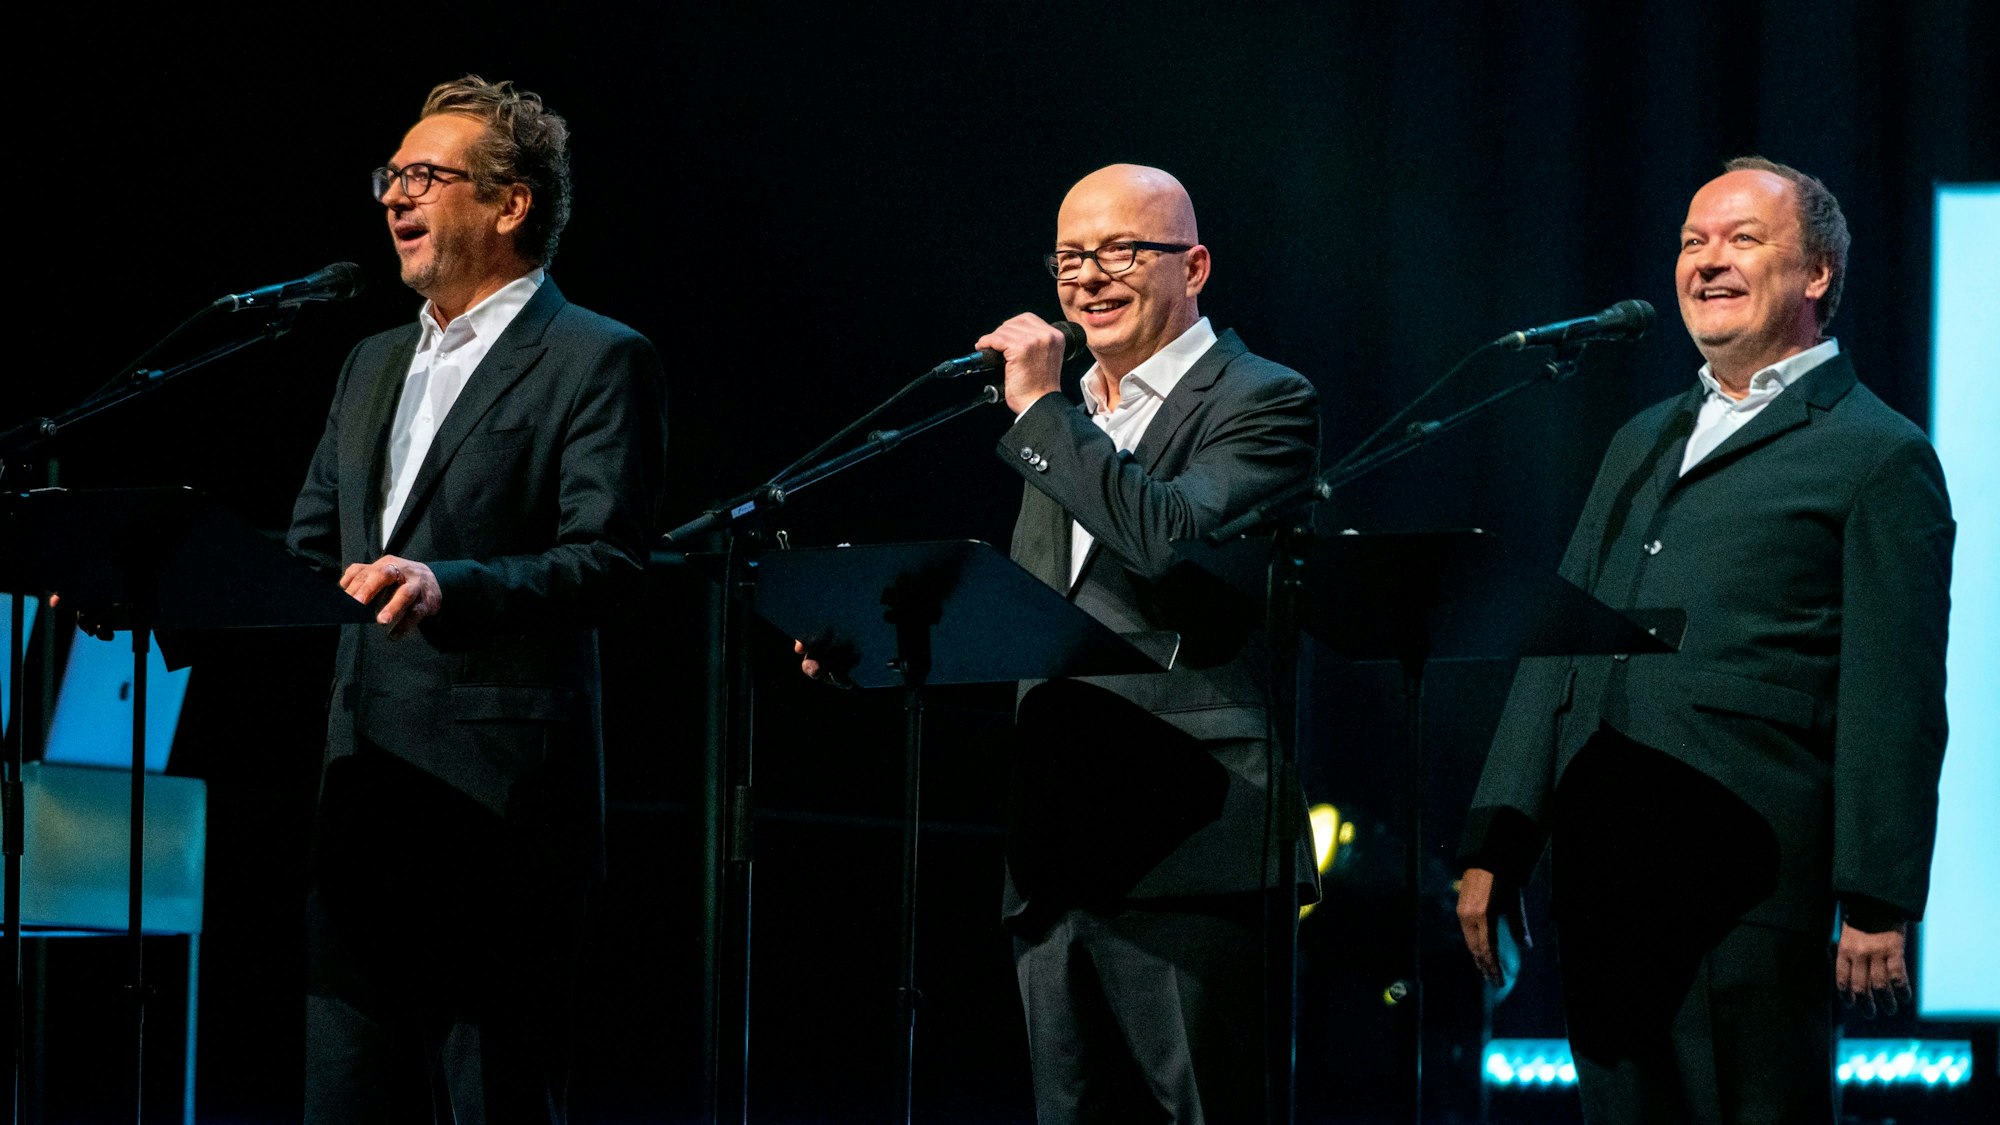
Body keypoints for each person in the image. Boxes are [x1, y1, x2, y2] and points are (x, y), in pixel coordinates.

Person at [1456, 158, 1953, 1123]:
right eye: (1692, 242)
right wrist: (1498, 838)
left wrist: (1879, 897)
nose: (1707, 261)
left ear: (1816, 274)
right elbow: (1559, 647)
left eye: (1741, 239)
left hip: (1751, 882)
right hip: (1602, 877)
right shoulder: (1641, 435)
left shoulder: (1878, 451)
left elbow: (1896, 693)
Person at [285, 75, 666, 1123]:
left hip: (499, 806)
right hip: (361, 790)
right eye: (390, 176)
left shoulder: (595, 356)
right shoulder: (369, 363)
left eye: (425, 175)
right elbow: (309, 556)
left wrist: (444, 584)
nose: (395, 197)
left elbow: (609, 563)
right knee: (344, 1099)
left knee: (489, 1099)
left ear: (510, 204)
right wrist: (161, 597)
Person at [970, 164, 1321, 1124]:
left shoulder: (1264, 398)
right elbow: (1040, 624)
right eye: (1070, 258)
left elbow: (1167, 536)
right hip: (1053, 850)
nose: (1088, 277)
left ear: (1194, 264)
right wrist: (883, 644)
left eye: (1121, 250)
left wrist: (1042, 413)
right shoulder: (1070, 423)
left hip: (1193, 846)